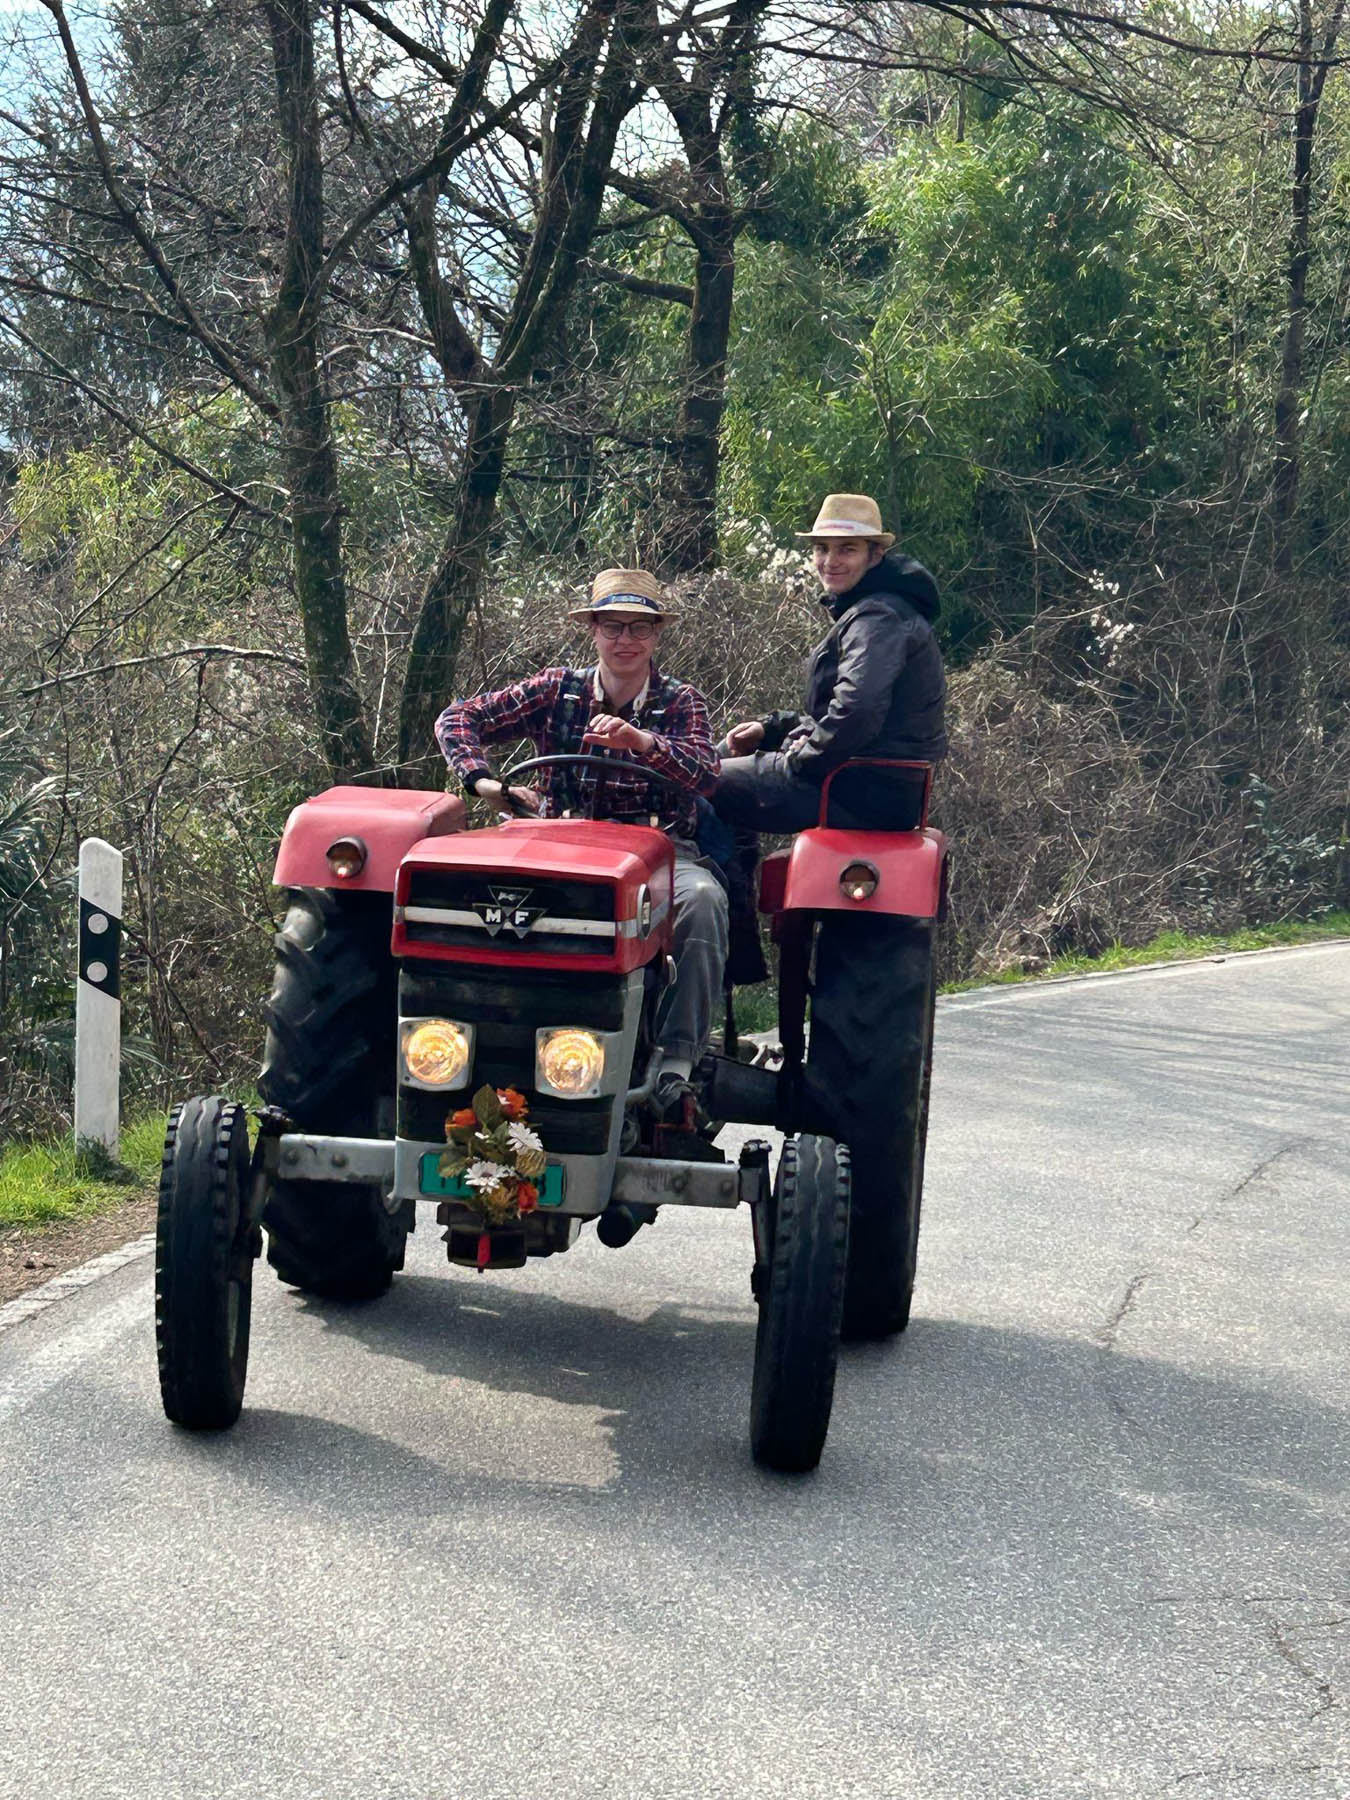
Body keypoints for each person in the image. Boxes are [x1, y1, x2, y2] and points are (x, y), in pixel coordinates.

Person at [435, 568, 728, 1112]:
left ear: (656, 635)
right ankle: (463, 1045)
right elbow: (458, 718)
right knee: (474, 897)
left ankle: (676, 1062)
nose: (625, 640)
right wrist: (483, 782)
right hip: (559, 847)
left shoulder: (679, 701)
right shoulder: (556, 691)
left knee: (705, 901)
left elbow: (706, 773)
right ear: (593, 630)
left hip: (656, 853)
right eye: (612, 627)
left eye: (639, 628)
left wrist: (644, 743)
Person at [714, 493, 946, 833]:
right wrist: (774, 728)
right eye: (822, 548)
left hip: (863, 789)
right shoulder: (873, 608)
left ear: (875, 555)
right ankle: (740, 864)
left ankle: (716, 868)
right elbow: (845, 714)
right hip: (867, 781)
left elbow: (858, 711)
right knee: (722, 752)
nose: (830, 561)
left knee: (701, 779)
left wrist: (801, 759)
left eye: (846, 549)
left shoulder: (877, 617)